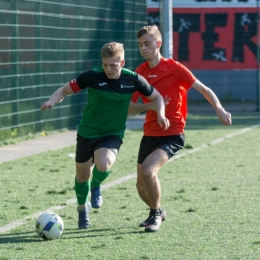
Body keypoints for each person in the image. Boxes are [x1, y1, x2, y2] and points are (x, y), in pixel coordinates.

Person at [40, 42, 170, 229]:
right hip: (87, 133)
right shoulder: (92, 76)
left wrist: (161, 114)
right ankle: (82, 209)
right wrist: (51, 101)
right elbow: (64, 90)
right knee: (82, 177)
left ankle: (96, 186)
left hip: (111, 134)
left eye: (113, 65)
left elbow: (157, 97)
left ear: (122, 62)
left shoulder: (133, 80)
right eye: (105, 64)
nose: (108, 69)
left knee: (104, 163)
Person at [128, 25, 232, 232]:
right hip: (149, 133)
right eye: (140, 45)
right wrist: (150, 106)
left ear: (158, 44)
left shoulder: (175, 68)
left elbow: (204, 89)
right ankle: (158, 210)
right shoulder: (139, 73)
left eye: (147, 44)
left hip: (172, 133)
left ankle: (155, 216)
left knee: (149, 171)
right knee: (140, 186)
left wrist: (219, 108)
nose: (143, 48)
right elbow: (128, 108)